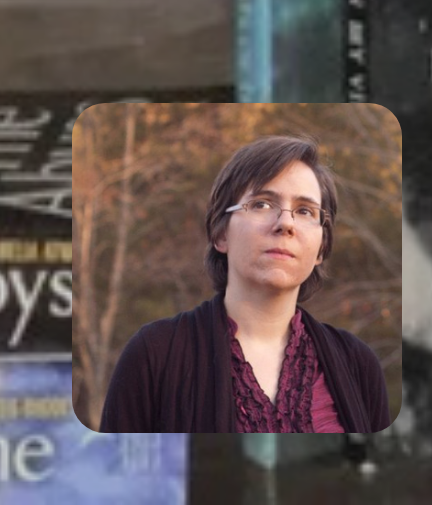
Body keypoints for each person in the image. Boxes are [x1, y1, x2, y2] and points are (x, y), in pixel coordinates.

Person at [98, 135, 390, 433]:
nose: (286, 224)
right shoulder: (155, 354)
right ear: (220, 233)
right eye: (262, 204)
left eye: (305, 211)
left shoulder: (357, 365)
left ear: (321, 248)